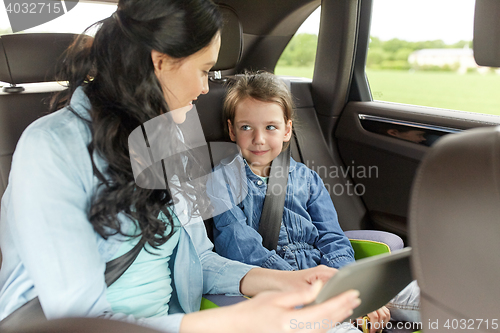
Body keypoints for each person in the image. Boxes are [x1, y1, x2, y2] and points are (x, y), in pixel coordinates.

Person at [0, 1, 362, 332]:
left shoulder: (166, 141)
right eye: (204, 70)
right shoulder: (50, 148)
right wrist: (236, 321)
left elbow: (200, 259)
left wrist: (288, 281)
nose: (206, 88)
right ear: (161, 61)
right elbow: (80, 320)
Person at [207, 72, 421, 333]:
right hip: (275, 290)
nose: (259, 138)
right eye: (246, 127)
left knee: (429, 296)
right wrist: (310, 289)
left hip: (328, 277)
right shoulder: (222, 182)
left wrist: (351, 289)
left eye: (270, 127)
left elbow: (332, 237)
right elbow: (241, 248)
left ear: (287, 130)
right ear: (231, 130)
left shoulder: (307, 178)